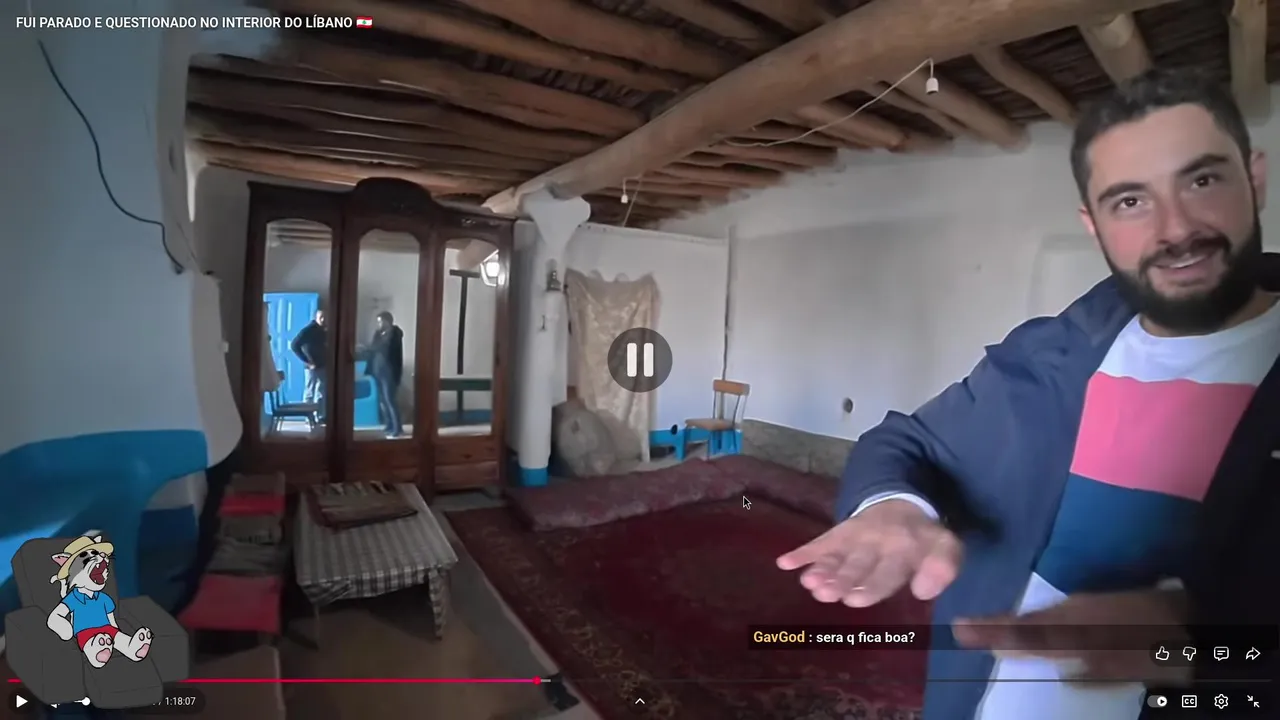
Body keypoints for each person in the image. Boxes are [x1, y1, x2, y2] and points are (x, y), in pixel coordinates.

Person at [777, 67, 1280, 720]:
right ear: (1093, 225)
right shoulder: (1049, 352)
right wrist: (894, 506)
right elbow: (907, 441)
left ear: (1255, 179)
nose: (1175, 228)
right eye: (1130, 201)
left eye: (1202, 180)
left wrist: (1201, 633)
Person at [366, 311, 405, 438]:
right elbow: (372, 348)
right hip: (377, 371)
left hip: (389, 372)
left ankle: (397, 428)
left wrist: (375, 346)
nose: (379, 324)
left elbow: (385, 348)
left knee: (390, 399)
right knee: (383, 400)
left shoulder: (394, 333)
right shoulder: (378, 334)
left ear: (388, 321)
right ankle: (389, 425)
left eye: (381, 321)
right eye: (378, 321)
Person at [290, 310, 327, 410]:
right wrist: (307, 361)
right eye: (321, 317)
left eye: (325, 317)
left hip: (322, 365)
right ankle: (307, 414)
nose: (323, 320)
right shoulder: (308, 330)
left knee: (321, 392)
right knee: (310, 392)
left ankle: (319, 415)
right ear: (316, 318)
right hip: (311, 366)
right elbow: (294, 345)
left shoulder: (324, 331)